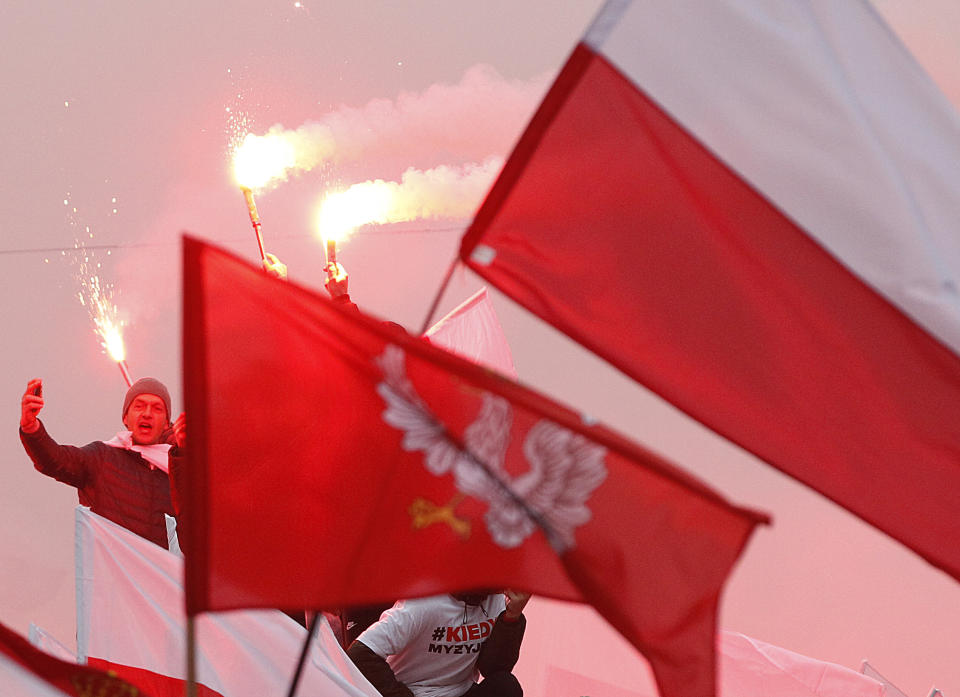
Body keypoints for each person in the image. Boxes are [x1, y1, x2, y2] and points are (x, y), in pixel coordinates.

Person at [19, 376, 186, 549]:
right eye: (139, 406)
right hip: (108, 573)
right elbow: (55, 460)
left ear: (167, 423)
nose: (147, 413)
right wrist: (31, 428)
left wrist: (183, 457)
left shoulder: (178, 476)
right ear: (125, 418)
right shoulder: (102, 457)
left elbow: (193, 542)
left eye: (157, 408)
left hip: (158, 575)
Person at [347, 590, 529, 697]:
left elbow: (494, 669)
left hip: (460, 691)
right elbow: (359, 654)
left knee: (506, 687)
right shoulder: (424, 604)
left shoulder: (497, 600)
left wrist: (512, 617)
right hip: (415, 692)